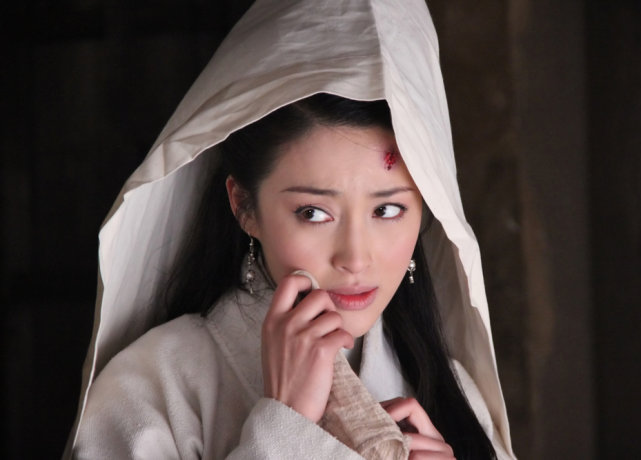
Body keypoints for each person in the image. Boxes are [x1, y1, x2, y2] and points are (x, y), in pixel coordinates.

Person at [64, 1, 516, 459]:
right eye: (313, 213)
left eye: (387, 210)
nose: (355, 258)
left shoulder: (455, 395)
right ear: (244, 206)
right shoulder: (151, 390)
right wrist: (286, 428)